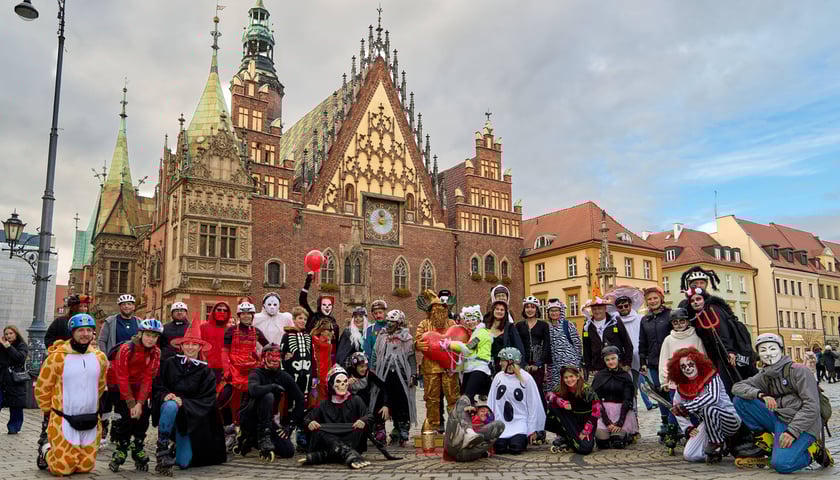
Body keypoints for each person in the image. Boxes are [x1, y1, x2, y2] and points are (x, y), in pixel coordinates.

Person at [732, 333, 834, 472]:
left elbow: (812, 407)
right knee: (740, 400)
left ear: (781, 349)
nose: (768, 353)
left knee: (782, 465)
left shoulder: (799, 371)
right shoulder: (765, 375)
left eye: (772, 349)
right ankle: (765, 439)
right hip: (779, 417)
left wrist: (792, 432)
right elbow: (737, 388)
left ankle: (813, 451)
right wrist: (760, 395)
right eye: (763, 350)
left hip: (803, 425)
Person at [34, 313, 108, 476]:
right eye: (81, 330)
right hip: (63, 418)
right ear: (72, 332)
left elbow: (101, 385)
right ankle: (46, 450)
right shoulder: (57, 357)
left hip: (90, 417)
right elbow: (43, 386)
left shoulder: (100, 358)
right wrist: (48, 410)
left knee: (85, 467)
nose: (85, 334)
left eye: (89, 331)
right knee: (61, 469)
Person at [153, 318, 226, 475]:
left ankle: (178, 445)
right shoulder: (169, 364)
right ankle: (163, 448)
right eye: (187, 343)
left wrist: (183, 403)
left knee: (184, 463)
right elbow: (158, 387)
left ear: (200, 347)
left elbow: (207, 400)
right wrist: (167, 395)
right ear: (181, 346)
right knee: (171, 405)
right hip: (169, 410)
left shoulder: (206, 372)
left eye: (194, 344)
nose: (190, 347)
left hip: (190, 418)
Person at [668, 347, 743, 464]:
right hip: (709, 425)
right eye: (683, 366)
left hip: (729, 421)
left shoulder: (712, 377)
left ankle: (717, 445)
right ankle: (720, 448)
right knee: (689, 455)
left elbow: (712, 398)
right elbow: (676, 408)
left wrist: (687, 407)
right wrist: (687, 427)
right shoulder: (681, 387)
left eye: (690, 364)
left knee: (709, 408)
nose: (688, 368)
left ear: (697, 363)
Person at [107, 318, 163, 472]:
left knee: (143, 416)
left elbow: (148, 378)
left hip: (140, 387)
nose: (151, 339)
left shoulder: (156, 352)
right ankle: (121, 447)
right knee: (126, 417)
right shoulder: (126, 349)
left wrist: (140, 403)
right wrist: (131, 403)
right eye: (148, 335)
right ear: (140, 334)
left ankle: (138, 445)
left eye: (154, 336)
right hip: (119, 385)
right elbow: (121, 376)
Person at [235, 343, 304, 462]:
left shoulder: (284, 376)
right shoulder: (256, 373)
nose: (274, 360)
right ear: (264, 357)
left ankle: (253, 438)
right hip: (249, 416)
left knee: (288, 451)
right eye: (271, 356)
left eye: (277, 357)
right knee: (267, 395)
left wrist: (291, 425)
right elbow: (253, 390)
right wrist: (272, 386)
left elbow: (300, 399)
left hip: (267, 420)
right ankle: (257, 435)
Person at [299, 365, 375, 469]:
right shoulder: (323, 404)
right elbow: (306, 419)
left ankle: (325, 455)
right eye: (338, 382)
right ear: (331, 384)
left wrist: (363, 420)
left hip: (350, 438)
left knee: (359, 429)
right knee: (319, 431)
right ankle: (348, 454)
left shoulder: (356, 400)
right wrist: (310, 423)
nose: (342, 384)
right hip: (329, 438)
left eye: (345, 381)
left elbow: (369, 415)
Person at [221, 302, 269, 442]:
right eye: (243, 314)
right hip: (234, 369)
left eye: (249, 313)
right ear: (239, 315)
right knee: (224, 397)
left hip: (251, 370)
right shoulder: (231, 331)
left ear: (253, 316)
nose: (246, 316)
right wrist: (226, 370)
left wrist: (280, 352)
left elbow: (267, 346)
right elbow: (224, 351)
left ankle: (246, 429)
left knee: (249, 401)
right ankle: (228, 427)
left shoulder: (256, 331)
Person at [369, 309, 417, 447]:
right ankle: (380, 428)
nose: (390, 324)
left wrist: (413, 374)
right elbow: (374, 353)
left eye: (393, 322)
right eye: (389, 321)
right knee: (380, 399)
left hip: (400, 374)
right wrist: (372, 370)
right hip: (383, 373)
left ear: (399, 323)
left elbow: (411, 357)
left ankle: (401, 427)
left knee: (401, 400)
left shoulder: (406, 337)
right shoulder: (382, 335)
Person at [415, 290, 459, 432]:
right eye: (435, 308)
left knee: (453, 396)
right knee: (432, 398)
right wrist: (417, 344)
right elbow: (417, 340)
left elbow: (459, 340)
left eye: (442, 309)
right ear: (430, 311)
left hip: (449, 367)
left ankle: (455, 425)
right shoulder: (424, 324)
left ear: (446, 310)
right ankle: (434, 424)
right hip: (430, 367)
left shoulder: (452, 323)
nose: (438, 311)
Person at [488, 347, 545, 454]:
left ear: (510, 361)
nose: (500, 363)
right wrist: (490, 424)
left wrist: (532, 429)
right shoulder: (498, 377)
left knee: (516, 447)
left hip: (519, 424)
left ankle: (519, 438)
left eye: (502, 360)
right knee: (500, 448)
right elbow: (491, 401)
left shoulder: (526, 378)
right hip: (502, 423)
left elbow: (533, 404)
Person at [279, 306, 317, 452]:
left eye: (305, 319)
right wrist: (283, 371)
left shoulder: (308, 336)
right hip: (291, 374)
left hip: (306, 374)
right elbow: (282, 355)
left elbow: (312, 357)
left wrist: (314, 376)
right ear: (294, 319)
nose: (302, 321)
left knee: (305, 404)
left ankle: (302, 434)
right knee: (291, 404)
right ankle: (287, 432)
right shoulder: (286, 336)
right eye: (300, 318)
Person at [638, 286, 672, 437]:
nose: (652, 301)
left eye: (655, 298)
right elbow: (642, 342)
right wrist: (642, 361)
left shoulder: (670, 315)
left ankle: (676, 422)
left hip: (671, 361)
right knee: (659, 393)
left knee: (672, 392)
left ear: (661, 298)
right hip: (653, 362)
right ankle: (665, 422)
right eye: (649, 299)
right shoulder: (645, 319)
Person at [516, 295, 550, 444]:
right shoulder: (519, 325)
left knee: (539, 396)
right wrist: (522, 363)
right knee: (524, 396)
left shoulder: (543, 325)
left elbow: (547, 345)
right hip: (523, 365)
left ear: (537, 309)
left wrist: (540, 363)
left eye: (532, 307)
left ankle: (540, 429)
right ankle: (525, 427)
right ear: (524, 309)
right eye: (527, 307)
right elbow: (518, 345)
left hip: (538, 365)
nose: (530, 309)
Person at [544, 365, 599, 455]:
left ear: (577, 376)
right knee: (552, 406)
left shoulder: (587, 390)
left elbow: (597, 411)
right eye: (566, 377)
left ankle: (570, 440)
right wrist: (560, 402)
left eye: (571, 376)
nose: (569, 380)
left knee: (585, 449)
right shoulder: (562, 388)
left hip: (585, 423)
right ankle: (565, 436)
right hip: (572, 420)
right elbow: (548, 395)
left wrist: (586, 430)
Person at [592, 346, 637, 449]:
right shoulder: (599, 376)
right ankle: (604, 435)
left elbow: (627, 399)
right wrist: (607, 422)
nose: (610, 362)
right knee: (603, 444)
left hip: (621, 412)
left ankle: (624, 435)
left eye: (613, 358)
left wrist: (619, 423)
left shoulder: (625, 376)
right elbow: (595, 400)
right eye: (607, 360)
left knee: (617, 443)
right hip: (602, 413)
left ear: (618, 358)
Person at [444, 305, 492, 401]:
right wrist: (455, 369)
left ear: (479, 319)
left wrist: (450, 344)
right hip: (470, 370)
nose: (470, 322)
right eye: (467, 320)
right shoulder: (474, 334)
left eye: (473, 319)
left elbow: (468, 349)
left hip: (480, 369)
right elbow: (468, 357)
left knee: (466, 398)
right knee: (464, 397)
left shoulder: (482, 333)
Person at [581, 297, 633, 377]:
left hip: (618, 365)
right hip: (598, 368)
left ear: (605, 308)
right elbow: (586, 348)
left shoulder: (615, 322)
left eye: (599, 308)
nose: (597, 311)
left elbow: (627, 343)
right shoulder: (587, 326)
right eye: (594, 309)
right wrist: (590, 367)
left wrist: (627, 363)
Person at [443, 395, 504, 462]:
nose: (485, 413)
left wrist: (489, 423)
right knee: (464, 398)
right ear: (476, 412)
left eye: (488, 412)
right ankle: (468, 432)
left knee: (500, 424)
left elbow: (487, 450)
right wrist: (467, 415)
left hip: (466, 454)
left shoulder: (487, 431)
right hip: (453, 444)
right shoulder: (465, 418)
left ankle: (469, 435)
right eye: (483, 411)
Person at [545, 298, 582, 391]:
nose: (554, 313)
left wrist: (578, 361)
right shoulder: (546, 327)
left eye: (556, 310)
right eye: (551, 311)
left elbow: (577, 343)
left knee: (572, 388)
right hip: (553, 366)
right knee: (556, 390)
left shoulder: (567, 324)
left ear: (560, 311)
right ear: (548, 312)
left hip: (569, 363)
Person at [300, 272, 339, 361]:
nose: (327, 308)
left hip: (329, 357)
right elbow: (303, 300)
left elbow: (336, 342)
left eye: (329, 305)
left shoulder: (334, 322)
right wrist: (308, 282)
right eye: (324, 305)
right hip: (313, 356)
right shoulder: (313, 317)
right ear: (319, 306)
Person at [0, 325, 28, 434]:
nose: (8, 336)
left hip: (15, 380)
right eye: (6, 334)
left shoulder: (21, 345)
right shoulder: (1, 346)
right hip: (2, 379)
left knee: (16, 406)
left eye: (11, 333)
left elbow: (19, 358)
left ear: (16, 334)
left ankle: (14, 428)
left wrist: (8, 346)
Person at [486, 299, 526, 373]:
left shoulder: (510, 327)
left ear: (505, 312)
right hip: (487, 365)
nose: (499, 311)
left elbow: (518, 346)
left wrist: (520, 366)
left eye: (502, 310)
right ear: (493, 311)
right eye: (497, 309)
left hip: (505, 365)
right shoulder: (485, 326)